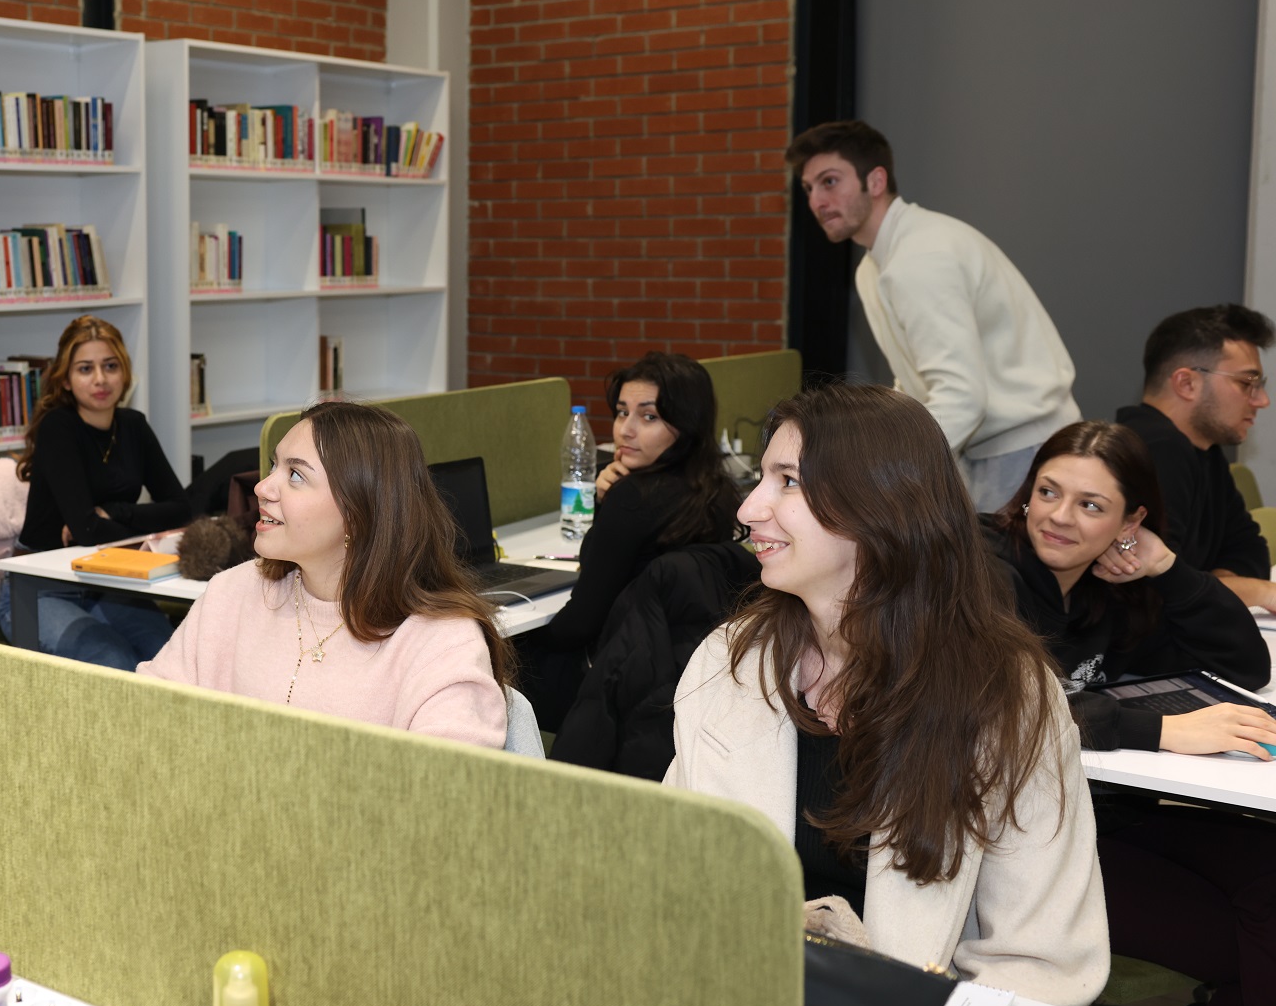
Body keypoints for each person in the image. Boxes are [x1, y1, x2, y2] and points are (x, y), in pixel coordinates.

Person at [664, 383, 1107, 1005]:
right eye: (762, 478)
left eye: (787, 481)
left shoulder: (1006, 694)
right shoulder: (732, 661)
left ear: (879, 508)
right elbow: (672, 878)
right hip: (736, 1003)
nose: (749, 508)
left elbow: (1040, 962)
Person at [990, 422, 1276, 1006]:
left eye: (1091, 505)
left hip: (1113, 812)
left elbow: (1247, 665)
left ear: (1132, 520)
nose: (1059, 517)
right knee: (1252, 951)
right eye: (1048, 491)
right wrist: (1165, 730)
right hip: (1021, 836)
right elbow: (1005, 707)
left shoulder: (1110, 587)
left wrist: (1167, 568)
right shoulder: (984, 570)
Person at [138, 401, 513, 748]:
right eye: (273, 466)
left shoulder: (441, 643)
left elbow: (448, 788)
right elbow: (143, 716)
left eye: (295, 475)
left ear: (358, 512)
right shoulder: (232, 593)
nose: (262, 487)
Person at [788, 120, 1079, 511]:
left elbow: (962, 397)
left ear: (876, 181)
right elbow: (915, 382)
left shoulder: (921, 256)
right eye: (809, 188)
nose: (817, 202)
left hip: (1022, 448)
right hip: (983, 445)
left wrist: (880, 468)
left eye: (829, 181)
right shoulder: (874, 267)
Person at [518, 352, 739, 726]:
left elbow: (579, 625)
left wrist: (518, 643)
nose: (625, 430)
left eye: (649, 417)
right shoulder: (718, 492)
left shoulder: (633, 498)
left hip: (609, 683)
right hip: (675, 676)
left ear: (687, 425)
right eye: (622, 413)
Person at [12, 315, 190, 668]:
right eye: (85, 369)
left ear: (124, 372)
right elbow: (88, 531)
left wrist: (115, 514)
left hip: (110, 582)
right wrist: (119, 528)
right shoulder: (58, 427)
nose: (100, 379)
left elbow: (183, 509)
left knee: (170, 656)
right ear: (65, 379)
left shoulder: (133, 425)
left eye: (110, 366)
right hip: (43, 588)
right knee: (113, 659)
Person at [1116, 304, 1276, 612]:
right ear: (1187, 383)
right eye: (1247, 383)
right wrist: (1261, 593)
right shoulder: (1152, 450)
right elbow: (1153, 587)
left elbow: (1250, 550)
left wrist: (1212, 587)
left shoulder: (1204, 450)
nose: (1262, 400)